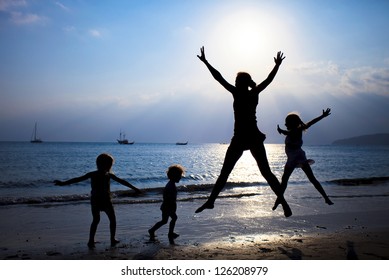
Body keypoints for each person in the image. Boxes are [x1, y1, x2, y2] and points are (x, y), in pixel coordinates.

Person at [195, 46, 292, 217]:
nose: (234, 82)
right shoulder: (252, 93)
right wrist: (277, 66)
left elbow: (220, 78)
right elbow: (267, 80)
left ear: (241, 82)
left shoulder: (239, 93)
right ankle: (283, 202)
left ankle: (211, 201)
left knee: (228, 172)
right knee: (264, 173)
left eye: (236, 80)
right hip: (250, 137)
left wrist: (206, 62)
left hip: (242, 137)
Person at [54, 153, 141, 248]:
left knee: (97, 220)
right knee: (110, 220)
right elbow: (122, 182)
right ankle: (109, 239)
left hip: (96, 200)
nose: (110, 167)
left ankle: (94, 240)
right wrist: (134, 188)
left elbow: (77, 179)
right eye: (109, 165)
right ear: (106, 165)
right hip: (104, 200)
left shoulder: (98, 174)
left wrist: (62, 183)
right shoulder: (105, 175)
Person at [273, 109, 334, 211]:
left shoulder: (297, 130)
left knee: (307, 179)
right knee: (285, 181)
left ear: (292, 123)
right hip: (294, 158)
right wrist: (281, 131)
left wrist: (322, 116)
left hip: (298, 158)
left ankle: (326, 198)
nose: (285, 124)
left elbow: (310, 123)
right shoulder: (292, 131)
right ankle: (279, 200)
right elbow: (287, 132)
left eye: (287, 122)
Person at [148, 164, 185, 244]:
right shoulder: (170, 186)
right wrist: (172, 207)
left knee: (165, 220)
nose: (180, 177)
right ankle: (168, 233)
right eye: (179, 176)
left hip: (167, 206)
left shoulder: (171, 184)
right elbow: (168, 198)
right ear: (173, 176)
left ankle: (155, 231)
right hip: (167, 207)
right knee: (170, 219)